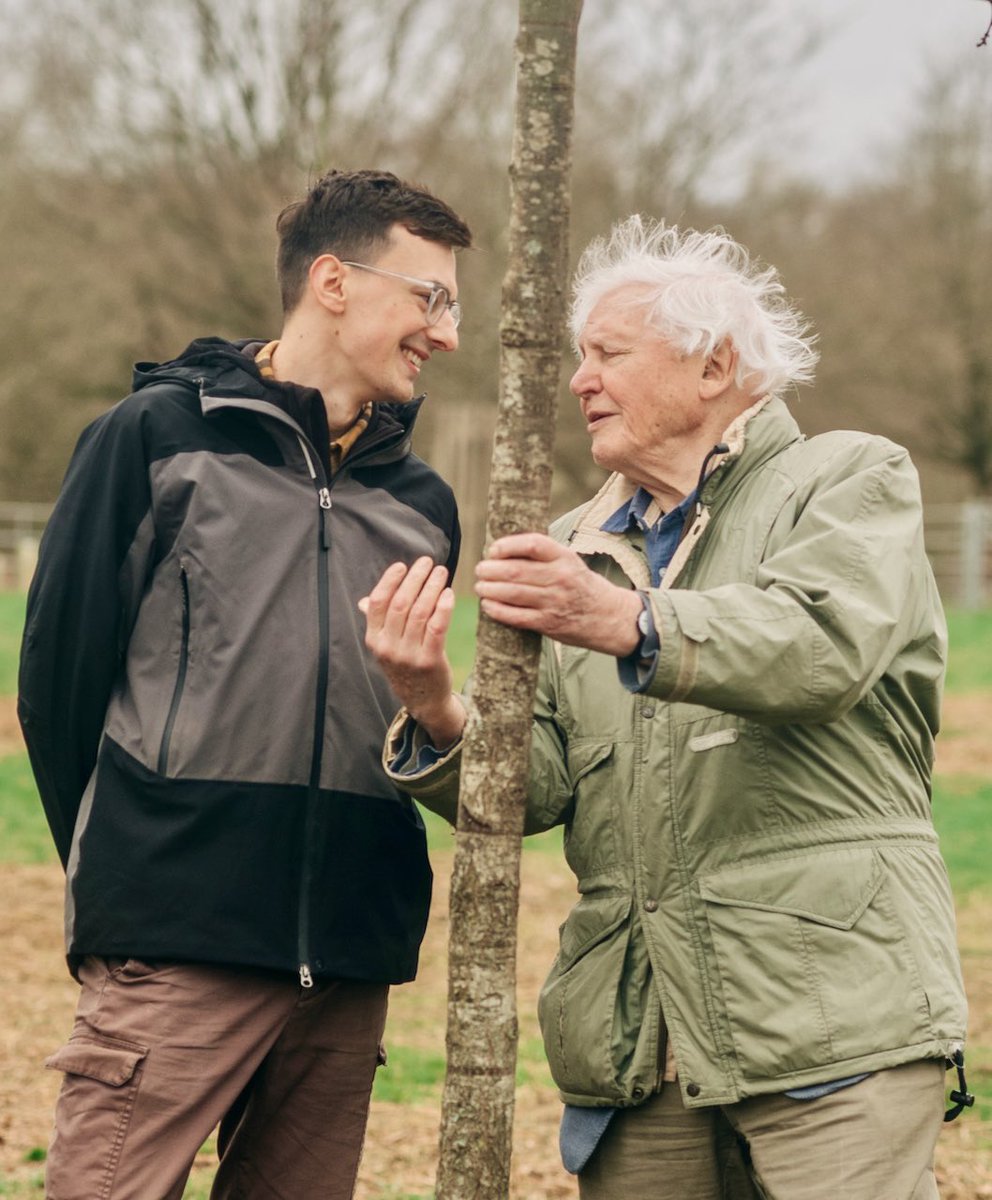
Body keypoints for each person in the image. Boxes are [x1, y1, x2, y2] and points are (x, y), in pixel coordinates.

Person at [359, 217, 971, 1199]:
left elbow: (816, 646)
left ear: (712, 366)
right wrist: (434, 705)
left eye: (606, 354)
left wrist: (623, 619)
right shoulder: (573, 542)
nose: (577, 380)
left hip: (830, 1022)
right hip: (637, 1044)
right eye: (576, 357)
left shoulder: (846, 481)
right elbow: (536, 790)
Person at [18, 168, 472, 1200]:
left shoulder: (423, 503)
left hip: (350, 956)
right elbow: (58, 683)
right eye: (429, 297)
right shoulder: (153, 440)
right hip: (173, 940)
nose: (446, 332)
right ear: (332, 282)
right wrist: (132, 878)